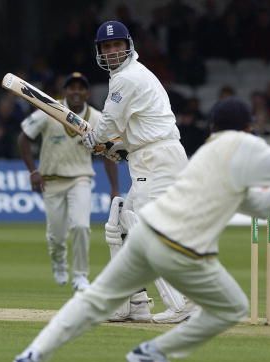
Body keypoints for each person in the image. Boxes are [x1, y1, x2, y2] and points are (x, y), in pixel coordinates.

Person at [3, 97, 270, 362]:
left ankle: (28, 358)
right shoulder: (245, 145)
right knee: (233, 307)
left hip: (146, 234)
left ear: (212, 127)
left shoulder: (207, 153)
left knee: (94, 301)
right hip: (183, 249)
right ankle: (153, 352)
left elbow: (261, 208)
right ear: (248, 127)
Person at [80, 20, 195, 323]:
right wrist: (114, 147)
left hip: (158, 159)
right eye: (107, 47)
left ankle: (181, 302)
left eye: (117, 45)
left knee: (144, 226)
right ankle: (133, 304)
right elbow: (130, 130)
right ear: (100, 52)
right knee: (120, 225)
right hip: (148, 157)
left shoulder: (127, 78)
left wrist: (95, 139)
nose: (113, 51)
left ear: (128, 45)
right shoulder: (129, 76)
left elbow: (109, 124)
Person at [18, 72, 119, 291]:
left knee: (82, 226)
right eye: (71, 87)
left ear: (87, 93)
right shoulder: (49, 110)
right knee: (56, 237)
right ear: (64, 92)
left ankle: (81, 276)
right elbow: (24, 137)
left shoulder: (96, 118)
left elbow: (109, 153)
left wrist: (114, 188)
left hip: (80, 179)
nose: (76, 91)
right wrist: (32, 171)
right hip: (51, 181)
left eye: (81, 88)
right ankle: (59, 262)